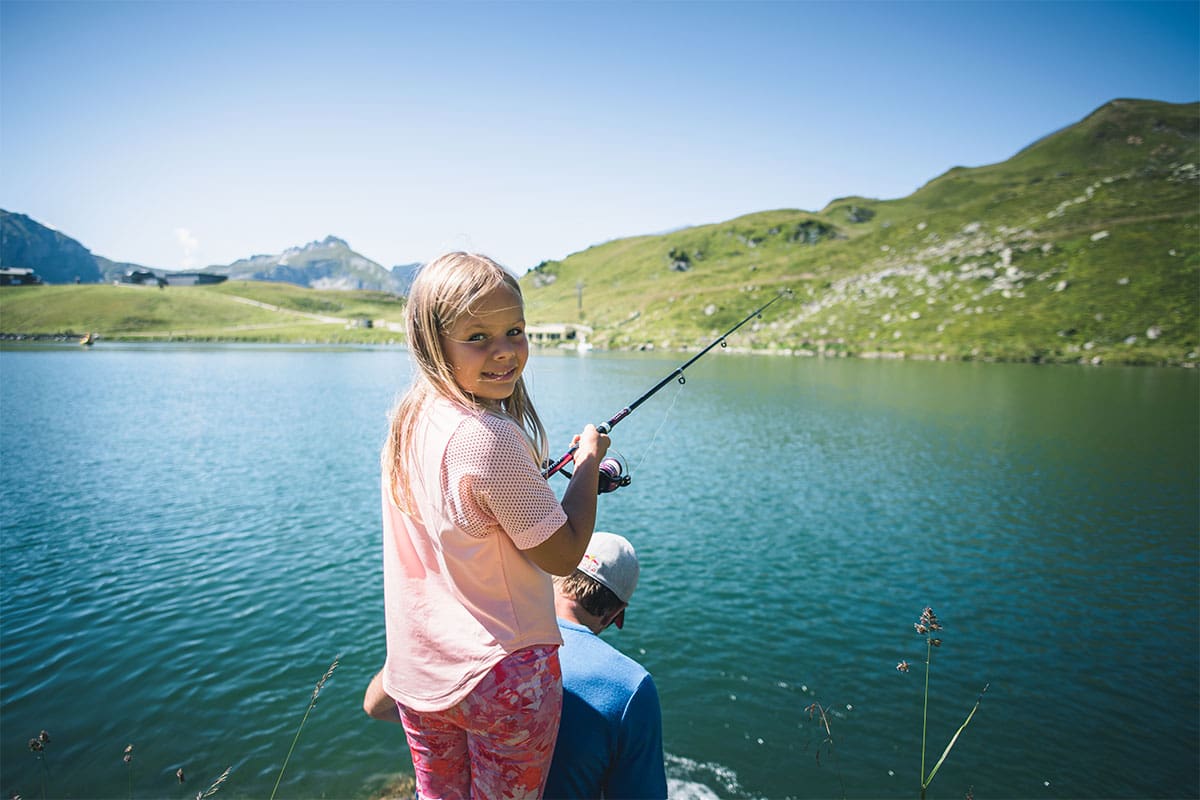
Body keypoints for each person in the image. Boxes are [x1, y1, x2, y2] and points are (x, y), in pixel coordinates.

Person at [378, 252, 609, 799]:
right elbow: (563, 557)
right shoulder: (492, 437)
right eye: (478, 337)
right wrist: (588, 464)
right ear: (433, 340)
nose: (505, 350)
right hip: (502, 678)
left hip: (422, 674)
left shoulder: (409, 417)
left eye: (516, 330)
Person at [365, 531, 667, 800]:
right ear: (617, 615)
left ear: (553, 573)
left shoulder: (478, 636)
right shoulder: (630, 687)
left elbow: (375, 706)